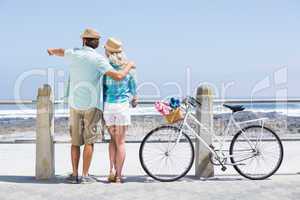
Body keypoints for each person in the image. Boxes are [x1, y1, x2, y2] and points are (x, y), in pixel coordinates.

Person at [47, 28, 135, 184]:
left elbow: (61, 51)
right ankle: (85, 176)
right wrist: (129, 65)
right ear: (97, 43)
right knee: (89, 142)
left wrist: (51, 51)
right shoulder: (99, 60)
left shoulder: (74, 53)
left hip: (74, 104)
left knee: (75, 142)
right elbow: (120, 76)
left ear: (83, 41)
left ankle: (74, 175)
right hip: (93, 106)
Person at [103, 38, 138, 183]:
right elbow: (133, 89)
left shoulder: (105, 68)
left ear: (107, 51)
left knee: (112, 140)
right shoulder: (128, 69)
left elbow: (103, 89)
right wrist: (135, 98)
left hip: (108, 107)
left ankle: (111, 170)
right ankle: (118, 176)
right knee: (121, 142)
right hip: (122, 107)